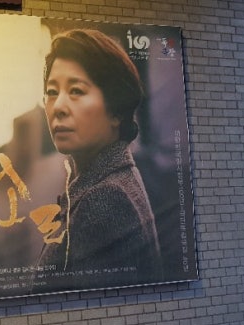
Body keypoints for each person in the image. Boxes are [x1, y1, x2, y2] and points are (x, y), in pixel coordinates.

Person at [35, 28, 162, 290]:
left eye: (76, 91)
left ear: (116, 110)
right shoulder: (111, 177)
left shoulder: (104, 198)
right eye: (52, 91)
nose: (58, 107)